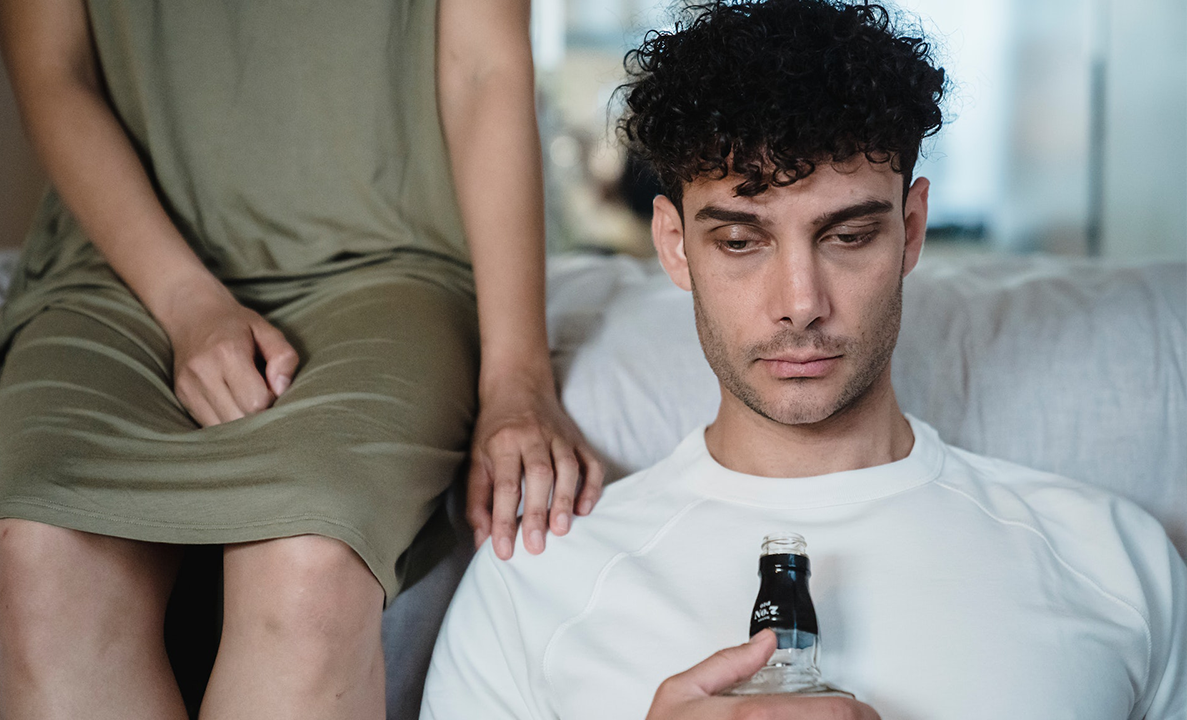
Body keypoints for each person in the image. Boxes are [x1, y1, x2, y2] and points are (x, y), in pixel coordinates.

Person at [419, 1, 1187, 718]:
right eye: (740, 241)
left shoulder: (1114, 562)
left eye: (848, 236)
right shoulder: (539, 584)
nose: (800, 303)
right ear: (673, 245)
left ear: (911, 230)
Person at [0, 0, 604, 717]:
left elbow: (485, 67)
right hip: (114, 271)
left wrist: (517, 377)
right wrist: (187, 302)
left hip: (384, 262)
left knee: (309, 562)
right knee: (40, 557)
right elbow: (56, 74)